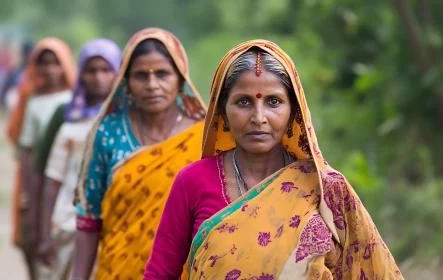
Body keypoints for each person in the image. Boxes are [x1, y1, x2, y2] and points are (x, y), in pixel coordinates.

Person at [144, 40, 403, 279]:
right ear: (222, 110)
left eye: (274, 102)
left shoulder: (325, 188)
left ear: (294, 111)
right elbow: (159, 274)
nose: (259, 117)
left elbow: (369, 269)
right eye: (243, 102)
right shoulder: (192, 181)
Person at [72, 28, 206, 280]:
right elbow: (89, 216)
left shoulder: (203, 138)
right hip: (118, 269)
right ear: (127, 83)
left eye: (163, 74)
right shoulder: (108, 132)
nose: (152, 85)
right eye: (141, 76)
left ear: (180, 80)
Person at [36, 38, 122, 280]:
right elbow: (53, 180)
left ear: (118, 73)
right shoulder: (70, 126)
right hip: (66, 222)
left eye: (106, 70)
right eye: (91, 70)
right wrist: (44, 235)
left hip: (112, 225)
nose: (98, 77)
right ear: (81, 74)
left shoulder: (125, 125)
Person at [6, 37, 75, 280]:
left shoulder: (76, 101)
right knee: (30, 238)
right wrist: (27, 193)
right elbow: (26, 149)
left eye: (55, 63)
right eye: (43, 63)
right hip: (36, 178)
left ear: (66, 65)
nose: (50, 69)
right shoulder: (32, 100)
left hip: (68, 180)